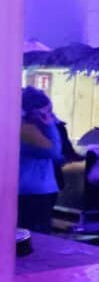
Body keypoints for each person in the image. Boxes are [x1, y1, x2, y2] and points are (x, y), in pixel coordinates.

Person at [18, 86, 63, 232]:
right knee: (37, 236)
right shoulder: (27, 130)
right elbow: (54, 151)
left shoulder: (27, 127)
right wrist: (50, 126)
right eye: (45, 112)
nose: (50, 116)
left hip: (29, 189)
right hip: (34, 191)